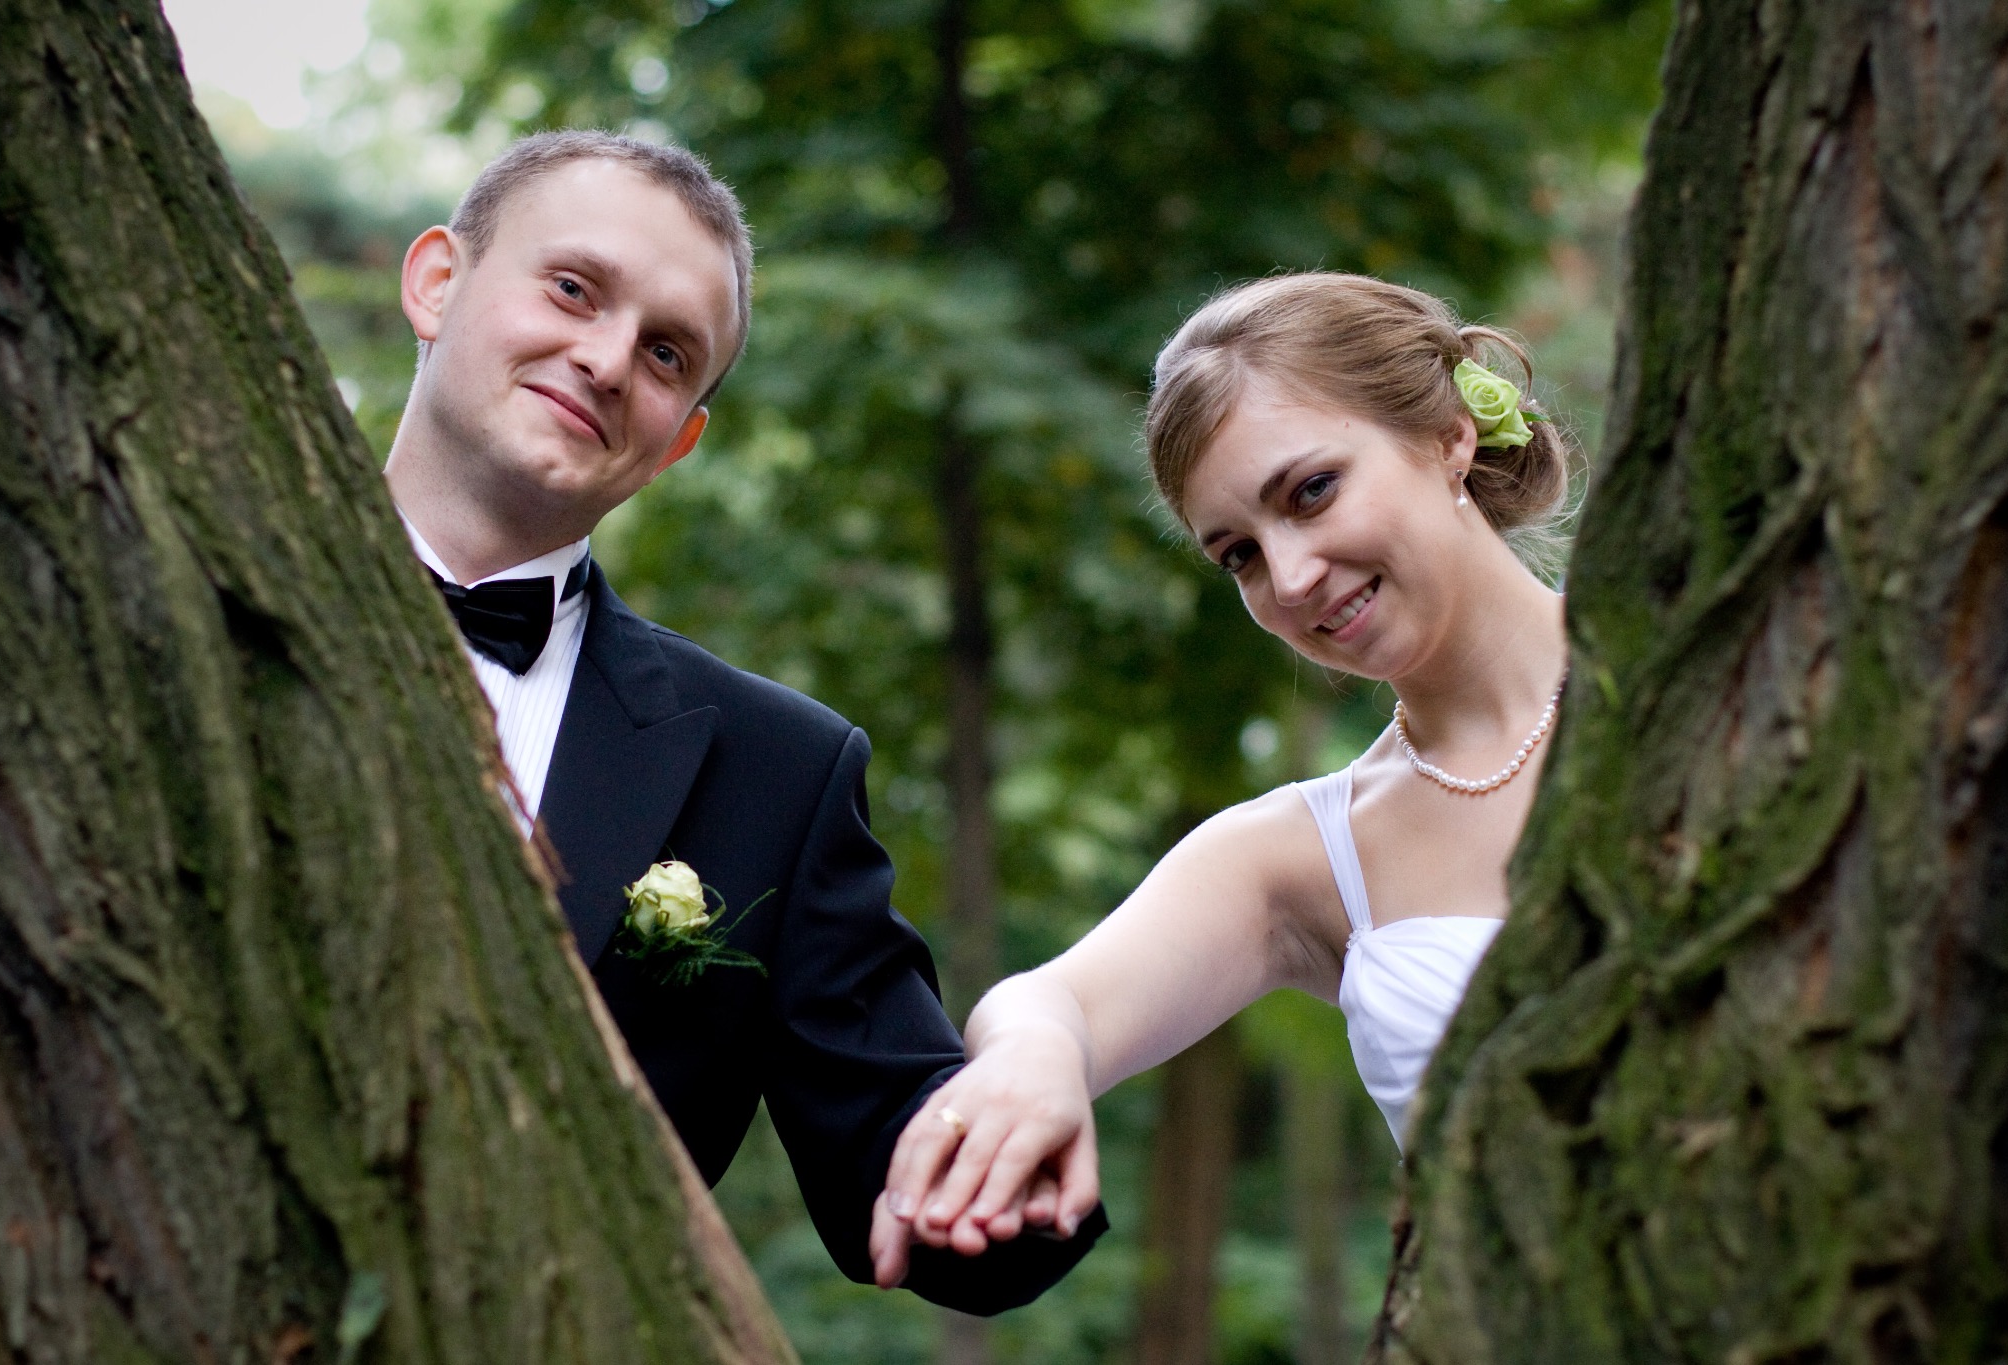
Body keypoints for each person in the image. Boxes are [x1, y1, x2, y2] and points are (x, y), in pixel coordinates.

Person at [382, 128, 1103, 1314]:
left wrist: (1030, 1089)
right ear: (435, 282)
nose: (607, 360)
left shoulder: (777, 769)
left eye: (667, 353)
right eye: (573, 288)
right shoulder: (154, 587)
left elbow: (914, 1163)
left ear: (679, 440)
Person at [867, 272, 1574, 1287]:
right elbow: (1050, 1001)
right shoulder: (1300, 856)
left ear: (1448, 436)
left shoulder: (1714, 669)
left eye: (1311, 491)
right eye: (1238, 554)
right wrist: (1032, 1062)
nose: (1289, 579)